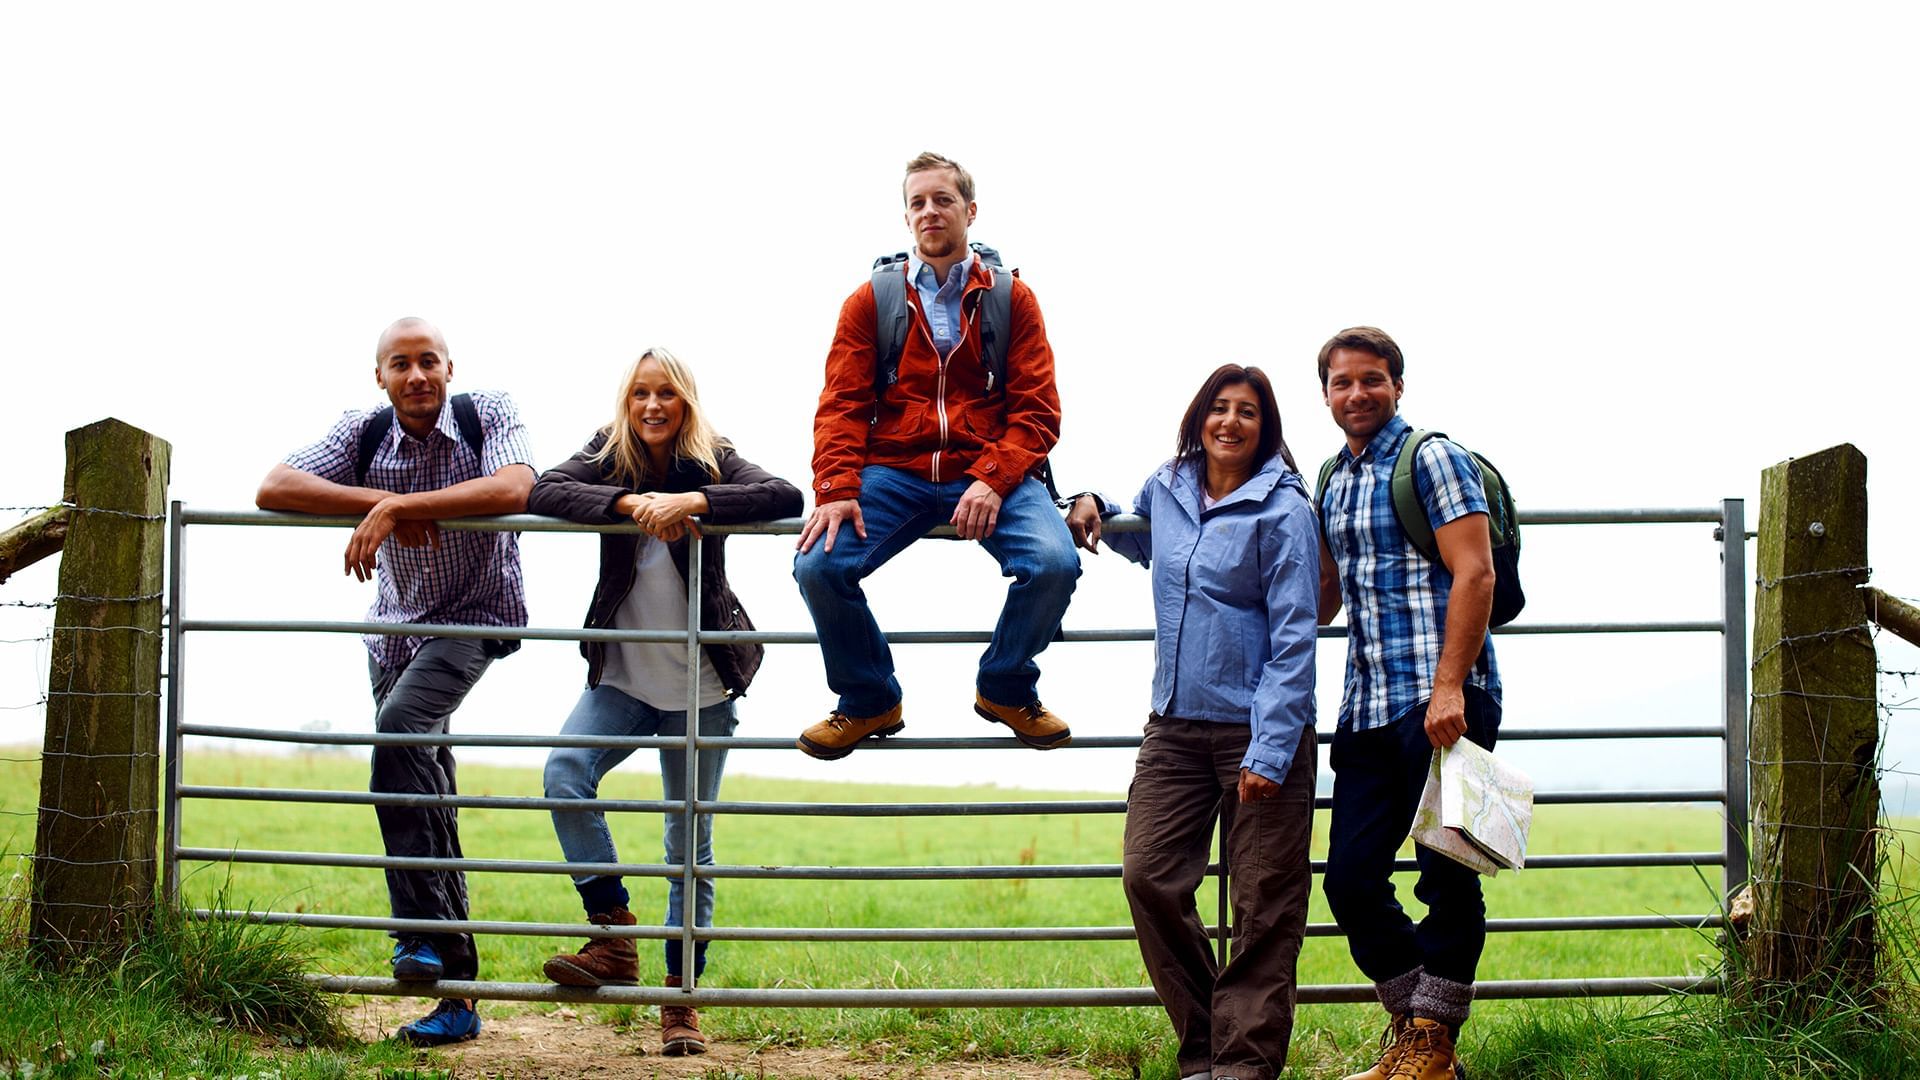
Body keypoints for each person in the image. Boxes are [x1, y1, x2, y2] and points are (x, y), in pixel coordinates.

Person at [256, 316, 535, 1047]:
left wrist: (407, 507)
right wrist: (375, 505)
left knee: (398, 734)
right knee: (428, 798)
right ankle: (459, 997)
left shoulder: (488, 412)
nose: (416, 376)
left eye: (429, 362)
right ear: (379, 375)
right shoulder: (365, 431)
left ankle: (415, 936)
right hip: (393, 635)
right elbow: (274, 486)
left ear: (451, 368)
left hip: (477, 614)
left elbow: (515, 485)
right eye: (400, 364)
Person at [527, 348, 801, 1056]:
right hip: (621, 681)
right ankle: (614, 934)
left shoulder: (714, 457)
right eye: (641, 394)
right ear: (628, 402)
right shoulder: (607, 454)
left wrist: (693, 501)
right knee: (564, 773)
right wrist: (626, 503)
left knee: (689, 851)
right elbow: (544, 490)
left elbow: (783, 495)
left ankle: (681, 1006)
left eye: (667, 395)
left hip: (701, 691)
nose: (653, 406)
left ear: (686, 403)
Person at [1066, 365, 1319, 1080]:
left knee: (1265, 904)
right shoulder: (1169, 487)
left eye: (1247, 412)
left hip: (1261, 731)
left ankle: (1242, 1065)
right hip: (1174, 727)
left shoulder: (1284, 508)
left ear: (1266, 428)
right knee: (1148, 876)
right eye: (1219, 408)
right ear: (1198, 417)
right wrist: (1092, 501)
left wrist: (1270, 751)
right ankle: (1206, 1041)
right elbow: (1143, 540)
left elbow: (1296, 636)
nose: (1230, 422)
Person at [791, 151, 1080, 760]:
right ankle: (868, 700)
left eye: (942, 200)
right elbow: (841, 403)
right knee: (818, 565)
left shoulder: (1013, 299)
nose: (930, 211)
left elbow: (1038, 409)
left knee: (1055, 563)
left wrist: (995, 479)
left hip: (989, 467)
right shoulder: (870, 301)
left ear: (969, 211)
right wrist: (838, 487)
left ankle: (1005, 686)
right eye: (917, 202)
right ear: (906, 217)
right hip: (894, 471)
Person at [1314, 327, 1501, 1080]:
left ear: (1397, 385)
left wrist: (1450, 685)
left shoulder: (1432, 457)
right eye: (1341, 382)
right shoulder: (1331, 476)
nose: (1357, 394)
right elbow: (1325, 595)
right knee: (1349, 879)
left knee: (1447, 875)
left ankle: (1432, 1045)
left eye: (1372, 379)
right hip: (1366, 706)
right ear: (1325, 394)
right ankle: (1418, 1032)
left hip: (1444, 699)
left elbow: (1476, 573)